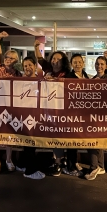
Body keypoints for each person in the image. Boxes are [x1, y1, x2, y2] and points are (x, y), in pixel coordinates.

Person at [34, 40, 71, 176]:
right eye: (53, 58)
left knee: (59, 134)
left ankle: (59, 161)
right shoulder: (48, 70)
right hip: (47, 107)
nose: (55, 60)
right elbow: (39, 58)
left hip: (62, 109)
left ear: (63, 62)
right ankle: (58, 158)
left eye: (58, 59)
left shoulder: (67, 74)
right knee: (52, 133)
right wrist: (36, 46)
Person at [0, 31, 22, 174]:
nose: (9, 59)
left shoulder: (17, 73)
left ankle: (8, 160)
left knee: (9, 134)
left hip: (10, 107)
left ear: (16, 61)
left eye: (12, 58)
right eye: (7, 56)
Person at [16, 56, 46, 180]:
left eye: (30, 65)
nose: (28, 68)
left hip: (36, 115)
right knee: (29, 142)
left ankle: (21, 164)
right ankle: (30, 171)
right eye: (25, 66)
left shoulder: (40, 80)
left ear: (34, 66)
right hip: (24, 116)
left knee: (29, 142)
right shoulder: (20, 81)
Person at [63, 54, 90, 177]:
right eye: (75, 62)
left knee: (78, 139)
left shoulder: (87, 77)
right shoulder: (68, 77)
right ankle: (70, 166)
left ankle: (75, 162)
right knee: (71, 140)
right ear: (71, 64)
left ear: (83, 64)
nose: (78, 64)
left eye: (79, 62)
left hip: (83, 113)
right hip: (71, 113)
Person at [85, 56, 107, 181]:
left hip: (103, 116)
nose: (99, 66)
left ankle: (93, 168)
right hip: (93, 115)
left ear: (106, 66)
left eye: (101, 64)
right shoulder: (93, 79)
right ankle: (100, 166)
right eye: (97, 64)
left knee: (94, 142)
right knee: (97, 141)